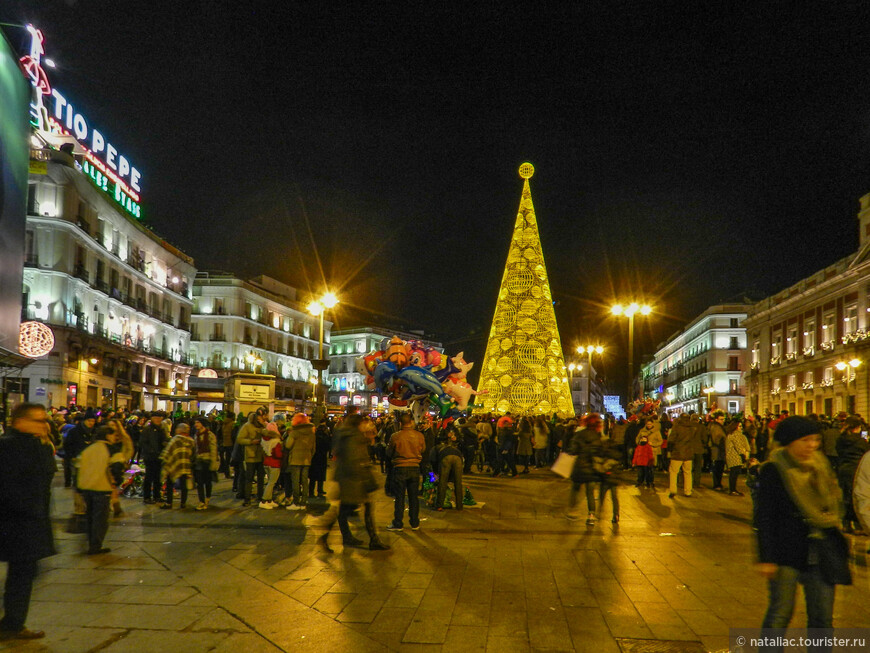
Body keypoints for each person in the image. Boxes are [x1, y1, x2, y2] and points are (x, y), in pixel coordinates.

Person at [756, 416, 851, 642]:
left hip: (822, 550)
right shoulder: (774, 469)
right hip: (785, 552)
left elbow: (834, 502)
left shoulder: (821, 465)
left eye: (816, 439)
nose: (812, 445)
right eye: (805, 440)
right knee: (780, 614)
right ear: (789, 441)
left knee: (822, 619)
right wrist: (766, 557)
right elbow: (765, 516)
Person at [0, 403, 57, 640]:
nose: (44, 425)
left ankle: (13, 623)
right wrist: (29, 509)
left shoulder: (36, 444)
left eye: (45, 421)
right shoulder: (8, 446)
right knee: (22, 575)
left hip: (28, 522)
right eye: (38, 420)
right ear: (19, 421)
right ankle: (12, 623)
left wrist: (45, 444)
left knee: (23, 574)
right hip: (15, 522)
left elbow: (48, 473)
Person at [318, 412, 389, 552]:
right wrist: (366, 480)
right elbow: (354, 460)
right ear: (358, 424)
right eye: (364, 422)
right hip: (354, 481)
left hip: (350, 480)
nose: (366, 425)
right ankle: (372, 540)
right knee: (356, 509)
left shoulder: (348, 435)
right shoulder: (352, 437)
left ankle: (330, 536)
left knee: (345, 510)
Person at [77, 425, 125, 554]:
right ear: (108, 435)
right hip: (102, 487)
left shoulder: (88, 449)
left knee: (91, 517)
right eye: (114, 435)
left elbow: (78, 467)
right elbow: (117, 468)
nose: (115, 438)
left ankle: (91, 543)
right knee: (101, 519)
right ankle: (95, 546)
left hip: (86, 487)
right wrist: (116, 482)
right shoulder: (112, 449)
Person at [385, 412, 425, 531]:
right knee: (413, 497)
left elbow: (389, 452)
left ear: (400, 423)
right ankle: (414, 522)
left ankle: (398, 523)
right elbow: (423, 449)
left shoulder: (395, 436)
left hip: (400, 467)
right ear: (411, 422)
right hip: (414, 467)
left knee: (400, 497)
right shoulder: (419, 436)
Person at [566, 415, 603, 524]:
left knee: (575, 489)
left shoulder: (579, 435)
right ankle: (591, 515)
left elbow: (572, 450)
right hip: (592, 469)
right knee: (590, 493)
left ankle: (573, 510)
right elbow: (601, 452)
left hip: (580, 467)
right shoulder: (597, 437)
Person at [835, 416, 869, 534]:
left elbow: (838, 451)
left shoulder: (841, 439)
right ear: (858, 427)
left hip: (843, 469)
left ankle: (846, 524)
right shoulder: (861, 440)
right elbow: (866, 452)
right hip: (857, 469)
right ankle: (859, 525)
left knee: (845, 497)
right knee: (857, 497)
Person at [159, 423, 195, 509]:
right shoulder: (191, 441)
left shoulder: (175, 439)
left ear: (179, 430)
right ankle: (183, 503)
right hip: (185, 465)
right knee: (184, 485)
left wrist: (164, 461)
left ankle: (169, 503)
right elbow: (192, 453)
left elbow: (168, 452)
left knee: (170, 483)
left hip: (174, 465)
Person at [285, 414, 316, 510]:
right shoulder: (311, 432)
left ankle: (296, 502)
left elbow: (288, 445)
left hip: (295, 459)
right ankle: (303, 502)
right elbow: (313, 449)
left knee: (295, 481)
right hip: (306, 460)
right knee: (304, 481)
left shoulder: (294, 432)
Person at [236, 411, 266, 507]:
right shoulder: (247, 426)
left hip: (261, 455)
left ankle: (260, 497)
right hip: (250, 456)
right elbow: (239, 439)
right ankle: (247, 498)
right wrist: (251, 441)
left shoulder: (263, 425)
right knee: (249, 478)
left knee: (261, 479)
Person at [139, 411, 168, 504]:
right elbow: (143, 442)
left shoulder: (162, 429)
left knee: (157, 477)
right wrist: (150, 451)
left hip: (159, 456)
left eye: (159, 418)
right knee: (149, 477)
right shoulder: (147, 429)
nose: (158, 420)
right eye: (155, 418)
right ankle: (147, 497)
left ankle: (157, 496)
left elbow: (164, 440)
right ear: (152, 419)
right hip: (150, 457)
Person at [192, 417, 219, 510]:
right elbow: (195, 449)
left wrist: (213, 463)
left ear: (202, 424)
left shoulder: (210, 435)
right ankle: (201, 501)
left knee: (207, 482)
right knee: (199, 483)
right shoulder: (196, 435)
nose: (196, 425)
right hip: (199, 461)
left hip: (207, 461)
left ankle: (207, 498)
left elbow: (213, 449)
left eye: (198, 423)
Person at [433, 431, 464, 512]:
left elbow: (433, 462)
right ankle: (459, 505)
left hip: (446, 458)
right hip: (458, 458)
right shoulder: (453, 448)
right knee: (458, 483)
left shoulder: (436, 448)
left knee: (442, 482)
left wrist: (435, 474)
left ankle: (439, 505)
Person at [667, 412, 694, 498]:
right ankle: (688, 491)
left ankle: (673, 490)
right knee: (688, 473)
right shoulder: (692, 428)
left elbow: (671, 440)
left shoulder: (677, 427)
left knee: (674, 472)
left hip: (677, 453)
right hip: (689, 453)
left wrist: (669, 450)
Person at [259, 423, 283, 509]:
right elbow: (278, 454)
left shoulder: (263, 439)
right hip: (275, 463)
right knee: (271, 483)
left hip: (266, 462)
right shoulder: (276, 441)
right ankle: (264, 501)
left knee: (270, 482)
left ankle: (269, 500)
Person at [725, 421, 750, 496]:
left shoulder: (732, 434)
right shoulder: (735, 435)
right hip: (735, 456)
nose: (741, 428)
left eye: (741, 426)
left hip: (732, 456)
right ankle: (732, 490)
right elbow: (738, 446)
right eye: (739, 426)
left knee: (734, 473)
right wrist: (743, 455)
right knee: (734, 474)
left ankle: (733, 489)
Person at [308, 423, 331, 498]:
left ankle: (311, 492)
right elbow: (328, 447)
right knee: (321, 476)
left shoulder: (313, 436)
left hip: (314, 458)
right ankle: (320, 490)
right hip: (322, 458)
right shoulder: (325, 437)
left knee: (313, 477)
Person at [708, 411, 727, 490]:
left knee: (720, 467)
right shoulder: (715, 427)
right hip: (717, 450)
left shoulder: (719, 427)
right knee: (717, 468)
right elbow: (716, 439)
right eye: (721, 419)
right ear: (716, 419)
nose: (722, 421)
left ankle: (718, 483)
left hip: (720, 450)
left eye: (723, 419)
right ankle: (717, 484)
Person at [219, 411, 235, 478]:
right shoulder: (232, 424)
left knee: (227, 459)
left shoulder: (224, 423)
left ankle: (226, 473)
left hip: (225, 443)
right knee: (232, 459)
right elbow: (233, 434)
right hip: (231, 443)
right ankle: (230, 473)